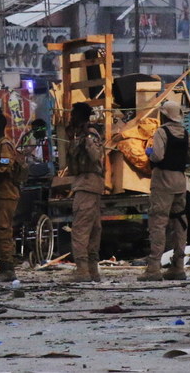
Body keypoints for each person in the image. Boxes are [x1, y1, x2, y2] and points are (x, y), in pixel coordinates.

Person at [139, 100, 190, 282]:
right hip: (179, 181)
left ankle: (153, 268)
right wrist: (182, 160)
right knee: (179, 222)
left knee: (158, 223)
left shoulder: (162, 132)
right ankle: (178, 267)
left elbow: (158, 156)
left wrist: (150, 153)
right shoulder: (185, 134)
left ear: (164, 115)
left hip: (163, 181)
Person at [66, 102, 105, 283]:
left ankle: (83, 270)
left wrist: (86, 139)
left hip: (87, 184)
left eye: (74, 115)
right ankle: (92, 270)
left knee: (81, 229)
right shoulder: (80, 135)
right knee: (94, 229)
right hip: (90, 183)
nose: (71, 118)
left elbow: (95, 156)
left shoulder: (89, 135)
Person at [0, 114, 25, 282]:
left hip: (6, 193)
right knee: (0, 230)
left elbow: (4, 169)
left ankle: (8, 268)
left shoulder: (4, 146)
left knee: (4, 230)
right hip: (1, 195)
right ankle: (4, 266)